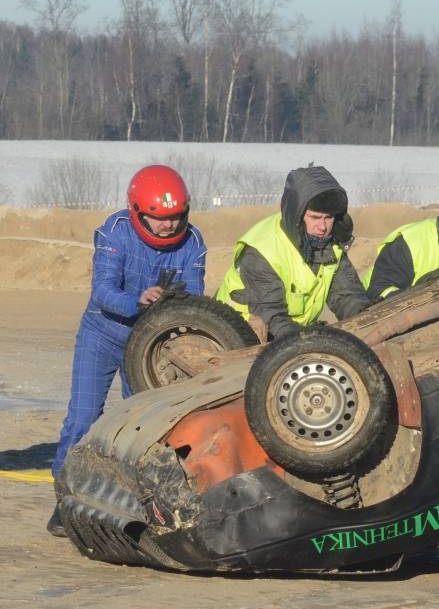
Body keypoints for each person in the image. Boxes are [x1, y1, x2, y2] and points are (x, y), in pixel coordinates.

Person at [50, 164, 207, 536]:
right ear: (137, 211)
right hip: (102, 335)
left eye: (175, 217)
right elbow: (102, 291)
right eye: (159, 218)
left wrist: (173, 302)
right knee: (82, 419)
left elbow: (196, 296)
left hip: (150, 346)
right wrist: (138, 301)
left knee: (143, 428)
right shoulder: (115, 231)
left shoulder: (193, 242)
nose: (168, 225)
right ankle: (64, 499)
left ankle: (138, 502)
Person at [216, 165, 370, 342]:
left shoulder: (332, 244)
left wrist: (366, 321)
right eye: (315, 217)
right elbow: (272, 318)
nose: (322, 227)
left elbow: (347, 296)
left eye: (328, 218)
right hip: (239, 337)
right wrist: (316, 341)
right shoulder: (263, 252)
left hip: (294, 335)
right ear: (297, 215)